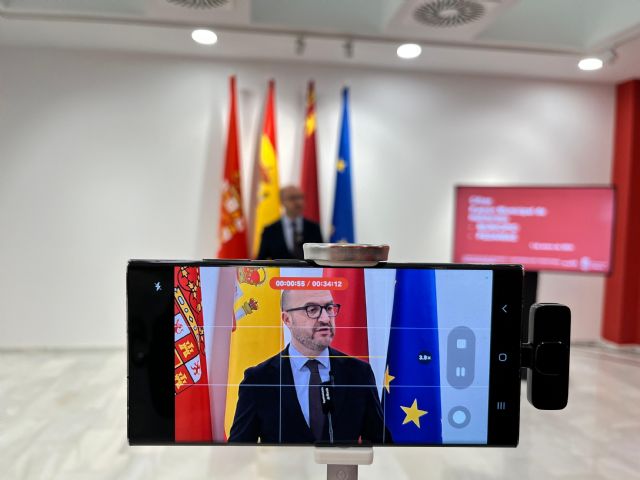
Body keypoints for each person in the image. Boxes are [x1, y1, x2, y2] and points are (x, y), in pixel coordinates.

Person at [228, 289, 389, 444]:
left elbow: (382, 447)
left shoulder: (359, 373)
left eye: (329, 308)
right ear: (287, 319)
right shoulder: (259, 380)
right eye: (312, 310)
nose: (325, 318)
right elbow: (238, 453)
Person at [256, 185, 323, 259]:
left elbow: (323, 256)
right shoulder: (270, 231)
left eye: (300, 197)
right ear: (282, 201)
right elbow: (260, 260)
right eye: (292, 198)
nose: (298, 202)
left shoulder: (314, 228)